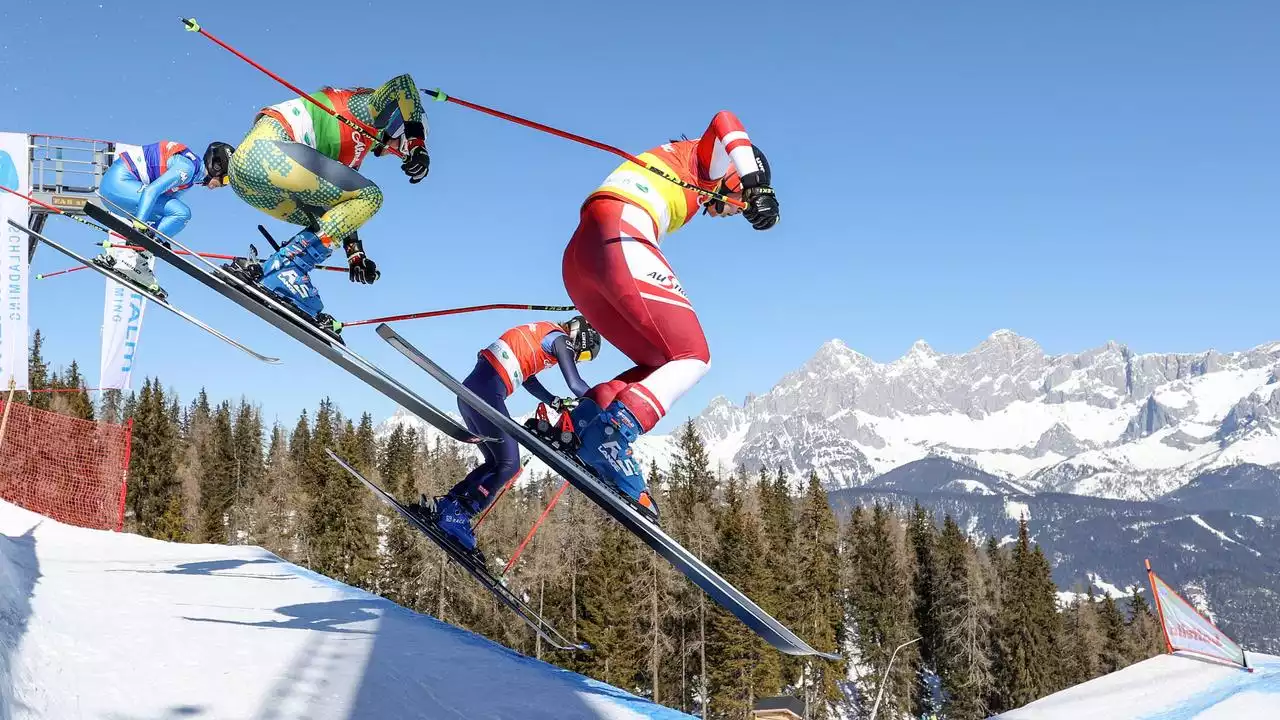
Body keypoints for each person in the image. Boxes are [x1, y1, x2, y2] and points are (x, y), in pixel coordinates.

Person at [561, 110, 780, 521]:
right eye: (736, 207)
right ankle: (613, 436)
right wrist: (759, 186)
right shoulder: (706, 162)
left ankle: (588, 418)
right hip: (618, 233)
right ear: (735, 174)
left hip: (580, 258)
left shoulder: (689, 170)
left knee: (661, 365)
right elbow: (726, 120)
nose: (729, 214)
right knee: (695, 356)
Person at [222, 74, 431, 338]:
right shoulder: (365, 110)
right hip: (265, 154)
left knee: (339, 208)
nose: (397, 153)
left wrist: (355, 255)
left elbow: (341, 209)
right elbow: (404, 84)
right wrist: (417, 144)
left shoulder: (354, 153)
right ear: (399, 125)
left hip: (248, 180)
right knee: (372, 196)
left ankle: (274, 270)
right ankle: (289, 269)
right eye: (400, 146)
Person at [420, 316, 602, 552]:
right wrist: (601, 404)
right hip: (485, 393)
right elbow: (576, 383)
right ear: (581, 337)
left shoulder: (543, 337)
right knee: (510, 464)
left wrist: (553, 401)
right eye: (584, 354)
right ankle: (460, 513)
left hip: (472, 392)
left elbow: (528, 379)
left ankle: (448, 506)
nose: (579, 358)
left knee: (496, 462)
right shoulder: (561, 339)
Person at [94, 140, 234, 297]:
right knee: (182, 213)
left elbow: (159, 209)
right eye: (226, 180)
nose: (223, 185)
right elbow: (151, 192)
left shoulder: (190, 177)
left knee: (171, 217)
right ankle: (132, 258)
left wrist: (158, 240)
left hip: (119, 191)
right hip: (118, 184)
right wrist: (139, 230)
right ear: (217, 166)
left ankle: (121, 255)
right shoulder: (186, 168)